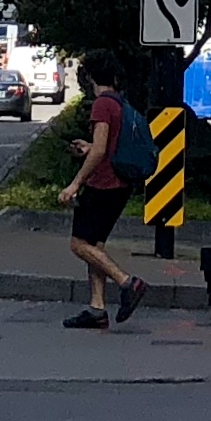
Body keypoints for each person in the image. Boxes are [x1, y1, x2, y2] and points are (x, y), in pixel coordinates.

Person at [59, 51, 146, 331]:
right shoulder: (119, 103)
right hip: (120, 184)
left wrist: (75, 183)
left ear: (91, 77)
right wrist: (88, 147)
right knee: (95, 246)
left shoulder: (102, 105)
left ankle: (127, 282)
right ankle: (97, 308)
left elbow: (99, 151)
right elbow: (106, 146)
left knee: (78, 244)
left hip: (103, 183)